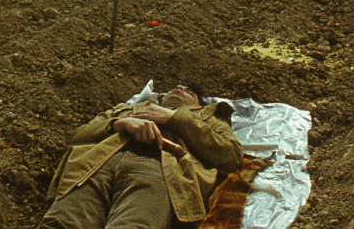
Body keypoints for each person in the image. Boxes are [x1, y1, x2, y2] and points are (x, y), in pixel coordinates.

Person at [39, 83, 243, 228]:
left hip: (159, 170)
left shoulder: (207, 117)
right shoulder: (127, 109)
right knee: (61, 222)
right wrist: (119, 123)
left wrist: (174, 118)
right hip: (97, 165)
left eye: (188, 91)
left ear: (199, 103)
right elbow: (77, 136)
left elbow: (231, 156)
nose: (180, 88)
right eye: (176, 87)